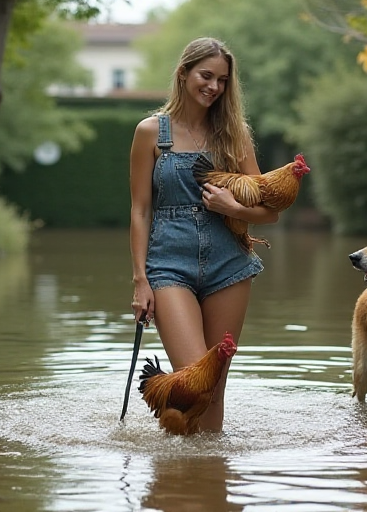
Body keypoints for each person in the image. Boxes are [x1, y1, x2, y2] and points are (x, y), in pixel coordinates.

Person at [129, 37, 279, 433]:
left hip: (228, 265)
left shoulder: (235, 136)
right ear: (184, 73)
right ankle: (178, 475)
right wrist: (140, 280)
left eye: (223, 80)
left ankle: (208, 481)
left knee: (215, 385)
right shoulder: (150, 132)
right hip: (168, 267)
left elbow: (270, 212)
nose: (213, 86)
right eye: (206, 75)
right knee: (193, 381)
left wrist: (233, 208)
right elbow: (140, 209)